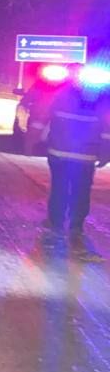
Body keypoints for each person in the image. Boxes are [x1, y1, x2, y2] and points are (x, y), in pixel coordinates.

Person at [43, 78, 110, 262]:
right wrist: (105, 154)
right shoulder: (103, 103)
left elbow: (47, 117)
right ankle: (74, 228)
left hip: (59, 154)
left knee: (59, 190)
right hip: (84, 158)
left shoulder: (62, 95)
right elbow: (107, 129)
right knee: (80, 193)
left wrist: (36, 141)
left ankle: (56, 227)